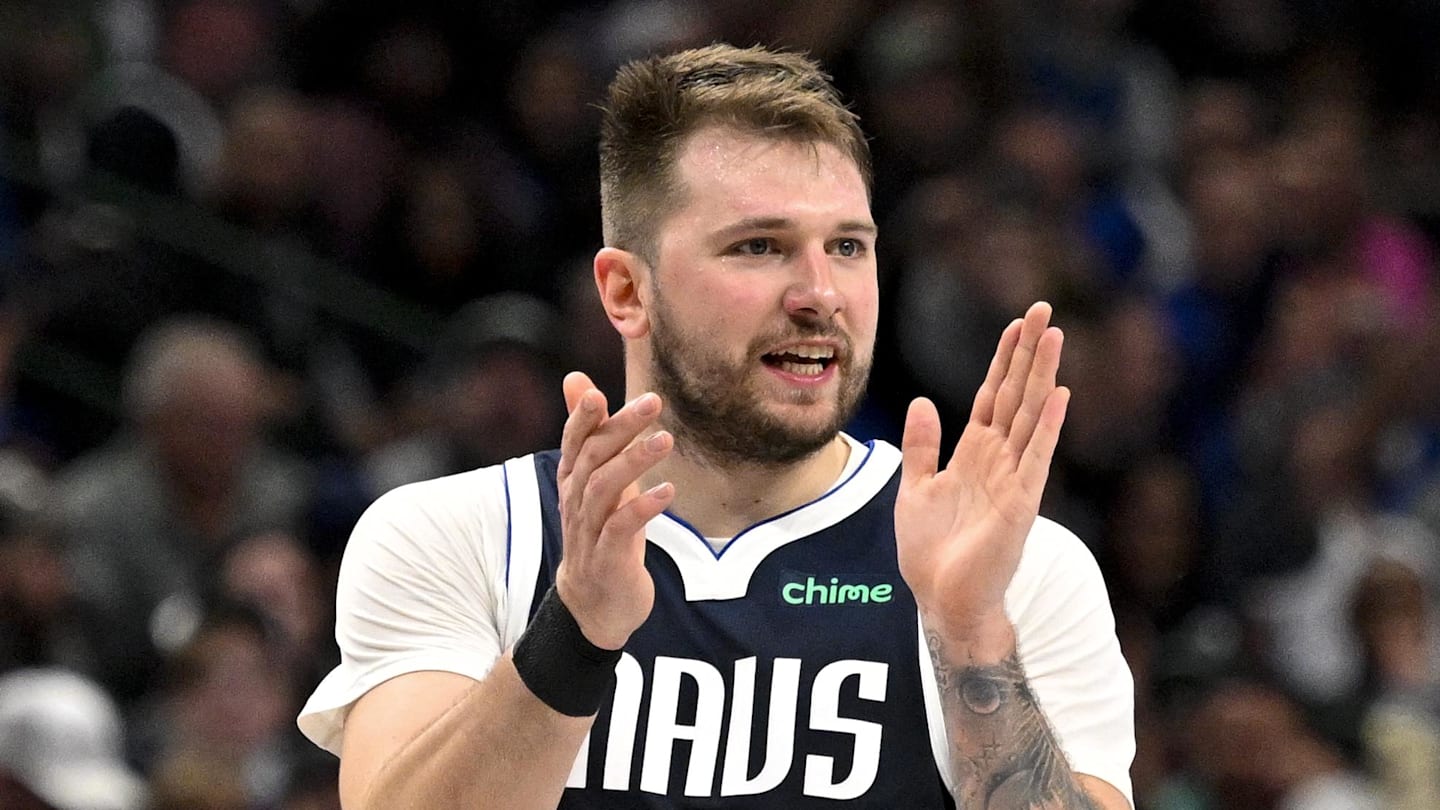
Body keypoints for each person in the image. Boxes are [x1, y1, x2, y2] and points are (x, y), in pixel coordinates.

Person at [298, 43, 1135, 808]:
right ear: (627, 291)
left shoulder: (1012, 572)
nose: (821, 295)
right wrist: (577, 630)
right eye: (759, 247)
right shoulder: (459, 536)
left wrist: (971, 636)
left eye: (847, 247)